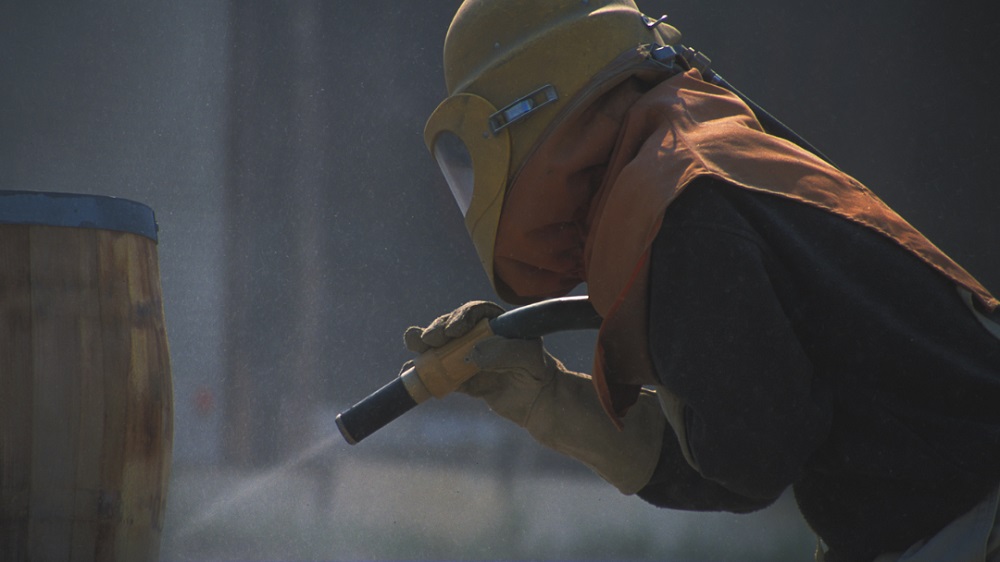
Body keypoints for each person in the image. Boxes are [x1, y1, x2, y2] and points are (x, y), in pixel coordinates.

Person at [408, 1, 1000, 560]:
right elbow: (752, 426)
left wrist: (561, 400)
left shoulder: (680, 208)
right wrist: (548, 399)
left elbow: (750, 459)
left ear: (523, 116)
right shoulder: (698, 155)